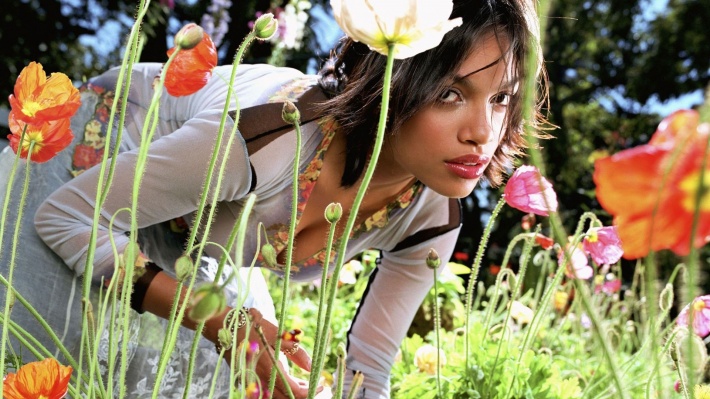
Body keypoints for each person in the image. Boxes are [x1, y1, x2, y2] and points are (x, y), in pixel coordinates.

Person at [0, 0, 546, 397]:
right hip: (94, 167)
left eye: (503, 99)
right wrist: (221, 321)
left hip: (194, 237)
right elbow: (68, 218)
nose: (484, 131)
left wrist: (230, 326)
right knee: (52, 367)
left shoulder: (430, 215)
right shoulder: (272, 138)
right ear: (390, 79)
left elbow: (369, 371)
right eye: (451, 93)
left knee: (249, 384)